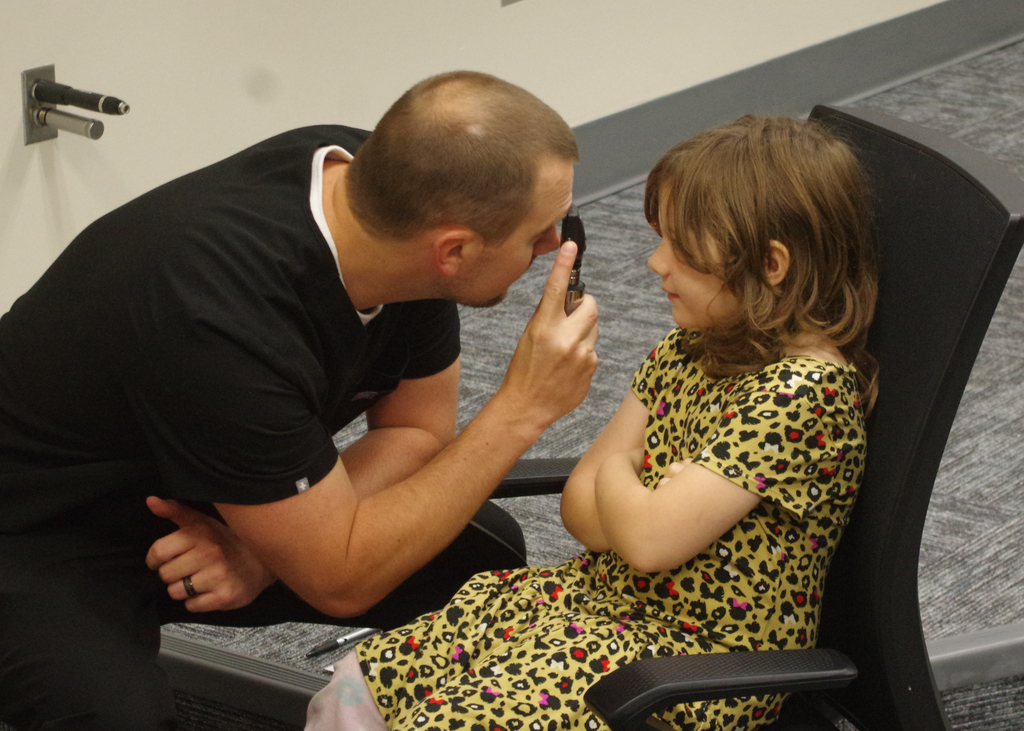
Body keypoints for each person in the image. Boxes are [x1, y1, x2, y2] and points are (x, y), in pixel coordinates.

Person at [0, 71, 598, 731]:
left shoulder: (387, 197)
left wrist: (258, 553)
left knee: (476, 559)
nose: (555, 249)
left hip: (215, 481)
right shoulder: (218, 312)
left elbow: (417, 431)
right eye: (541, 232)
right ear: (452, 250)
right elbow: (342, 579)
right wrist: (522, 407)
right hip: (40, 530)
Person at [305, 115, 879, 731]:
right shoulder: (689, 349)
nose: (657, 263)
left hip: (693, 658)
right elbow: (580, 510)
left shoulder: (804, 394)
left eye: (683, 249)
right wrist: (634, 489)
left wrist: (619, 477)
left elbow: (646, 542)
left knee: (465, 715)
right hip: (603, 605)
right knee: (381, 672)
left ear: (771, 264)